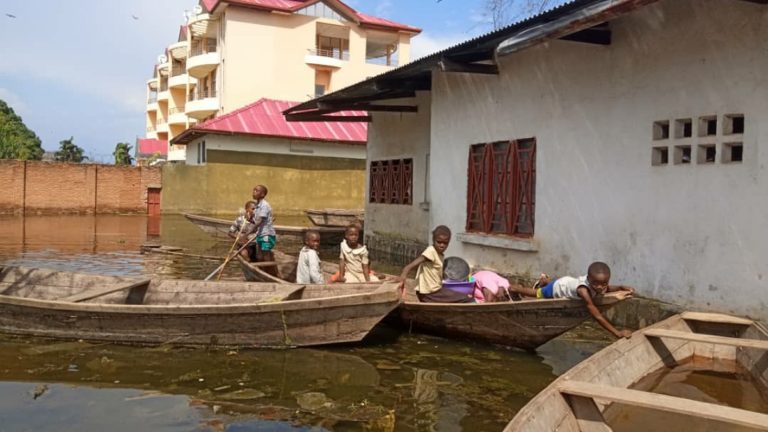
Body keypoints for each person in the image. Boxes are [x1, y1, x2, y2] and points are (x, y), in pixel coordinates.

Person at [508, 262, 635, 338]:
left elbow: (606, 289)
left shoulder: (598, 285)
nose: (600, 287)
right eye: (596, 284)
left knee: (554, 284)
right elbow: (596, 315)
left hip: (567, 282)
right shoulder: (583, 291)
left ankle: (545, 281)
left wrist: (620, 287)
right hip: (557, 288)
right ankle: (515, 288)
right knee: (537, 293)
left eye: (604, 283)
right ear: (589, 279)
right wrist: (616, 333)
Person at [399, 225, 474, 303]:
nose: (442, 245)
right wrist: (404, 274)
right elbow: (411, 265)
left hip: (435, 291)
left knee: (462, 296)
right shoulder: (431, 251)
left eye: (445, 243)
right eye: (439, 242)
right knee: (465, 298)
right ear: (433, 240)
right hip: (429, 293)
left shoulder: (440, 255)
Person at [251, 185, 276, 263]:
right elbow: (256, 220)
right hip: (260, 234)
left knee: (266, 255)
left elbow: (260, 220)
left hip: (266, 235)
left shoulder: (264, 205)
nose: (254, 192)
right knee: (259, 256)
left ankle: (269, 272)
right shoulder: (257, 206)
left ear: (262, 194)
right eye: (254, 190)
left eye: (256, 191)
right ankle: (262, 271)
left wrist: (249, 231)